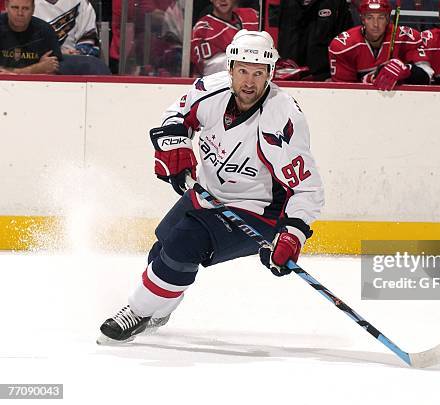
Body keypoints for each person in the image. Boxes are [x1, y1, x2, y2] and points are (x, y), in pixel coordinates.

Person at [98, 30, 325, 343]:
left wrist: (293, 234)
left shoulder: (282, 120)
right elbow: (176, 114)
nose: (249, 82)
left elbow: (307, 188)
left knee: (184, 244)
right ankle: (160, 311)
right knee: (163, 247)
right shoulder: (209, 89)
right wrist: (175, 146)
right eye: (243, 71)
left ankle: (134, 313)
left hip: (257, 209)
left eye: (259, 73)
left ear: (270, 74)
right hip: (206, 192)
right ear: (229, 68)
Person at [328, 0, 433, 90]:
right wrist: (370, 79)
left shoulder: (408, 38)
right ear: (362, 19)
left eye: (381, 17)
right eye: (370, 17)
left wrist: (408, 69)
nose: (375, 24)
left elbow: (428, 77)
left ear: (388, 19)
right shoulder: (343, 45)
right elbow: (343, 91)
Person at [277, 0, 354, 80]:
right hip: (288, 76)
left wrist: (336, 77)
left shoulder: (337, 3)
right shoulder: (285, 3)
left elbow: (346, 45)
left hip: (323, 78)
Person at [191, 0, 258, 76]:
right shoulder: (203, 29)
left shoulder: (251, 15)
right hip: (220, 83)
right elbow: (209, 69)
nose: (223, 0)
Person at [0, 0, 61, 74]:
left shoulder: (45, 30)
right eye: (15, 7)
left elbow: (52, 69)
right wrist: (36, 69)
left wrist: (11, 73)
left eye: (25, 8)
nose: (20, 13)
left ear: (33, 9)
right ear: (6, 6)